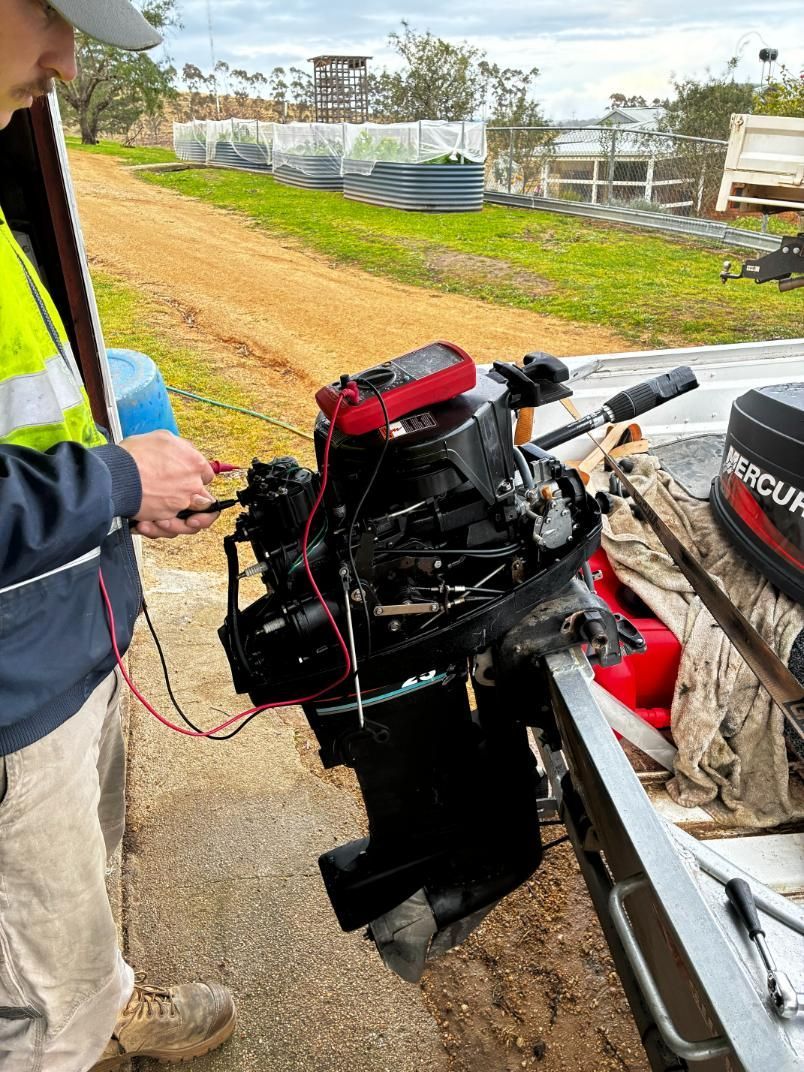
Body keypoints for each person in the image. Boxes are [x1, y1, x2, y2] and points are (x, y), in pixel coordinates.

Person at [0, 2, 237, 1069]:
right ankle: (71, 1033)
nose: (66, 55)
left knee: (72, 897)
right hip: (11, 689)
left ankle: (106, 995)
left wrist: (125, 494)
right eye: (43, 11)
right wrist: (116, 478)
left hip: (66, 635)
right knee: (34, 996)